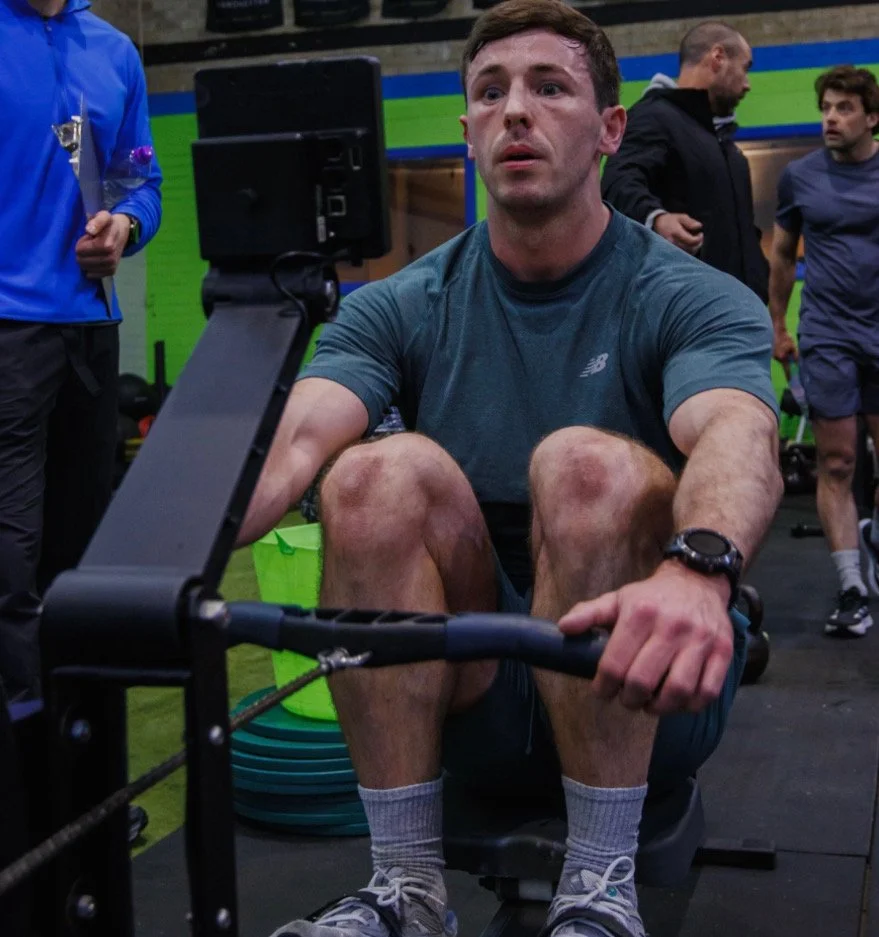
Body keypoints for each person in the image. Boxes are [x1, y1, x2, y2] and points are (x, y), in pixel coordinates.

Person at [241, 2, 782, 935]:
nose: (515, 112)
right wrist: (146, 551)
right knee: (372, 473)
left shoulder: (692, 296)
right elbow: (293, 440)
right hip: (474, 682)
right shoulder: (401, 304)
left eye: (549, 87)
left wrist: (699, 568)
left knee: (585, 464)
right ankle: (406, 890)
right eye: (489, 93)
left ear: (611, 128)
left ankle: (601, 888)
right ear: (467, 130)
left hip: (648, 665)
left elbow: (737, 429)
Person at [0, 0, 163, 702]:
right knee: (10, 565)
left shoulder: (115, 52)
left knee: (85, 561)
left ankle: (86, 772)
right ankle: (25, 783)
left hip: (92, 330)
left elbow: (141, 182)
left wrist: (124, 223)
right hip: (7, 331)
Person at [770, 65, 879, 637]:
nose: (831, 119)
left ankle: (874, 535)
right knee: (836, 461)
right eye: (826, 108)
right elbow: (783, 255)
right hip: (828, 331)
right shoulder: (799, 178)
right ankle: (851, 587)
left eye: (844, 109)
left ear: (872, 117)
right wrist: (777, 324)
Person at [600, 21, 769, 303]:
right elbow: (617, 181)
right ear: (718, 57)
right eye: (746, 67)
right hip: (686, 314)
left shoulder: (727, 148)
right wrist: (656, 219)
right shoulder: (654, 117)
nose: (747, 83)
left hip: (740, 315)